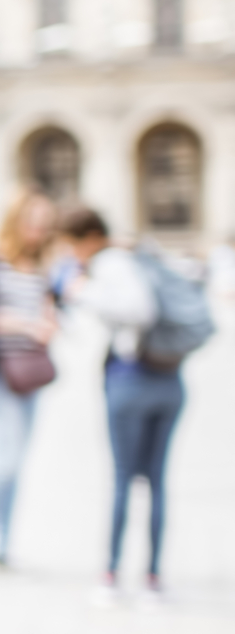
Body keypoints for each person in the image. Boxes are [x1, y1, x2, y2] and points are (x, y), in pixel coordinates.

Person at [58, 207, 205, 604]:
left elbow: (139, 310)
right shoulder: (142, 254)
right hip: (170, 379)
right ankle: (154, 577)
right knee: (156, 481)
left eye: (71, 246)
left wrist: (82, 293)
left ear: (88, 238)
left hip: (131, 380)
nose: (72, 255)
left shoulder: (110, 264)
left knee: (124, 478)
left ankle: (110, 575)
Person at [0, 190, 60, 574]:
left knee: (17, 461)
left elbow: (54, 309)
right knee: (4, 460)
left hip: (32, 372)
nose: (38, 229)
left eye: (44, 223)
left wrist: (50, 322)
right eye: (31, 220)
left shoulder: (43, 265)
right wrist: (26, 324)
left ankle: (1, 546)